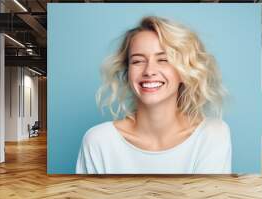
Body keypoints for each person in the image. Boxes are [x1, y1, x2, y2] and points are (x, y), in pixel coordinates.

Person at [76, 16, 232, 174]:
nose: (149, 71)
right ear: (127, 72)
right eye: (138, 61)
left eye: (163, 59)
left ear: (184, 71)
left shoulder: (212, 135)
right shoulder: (98, 141)